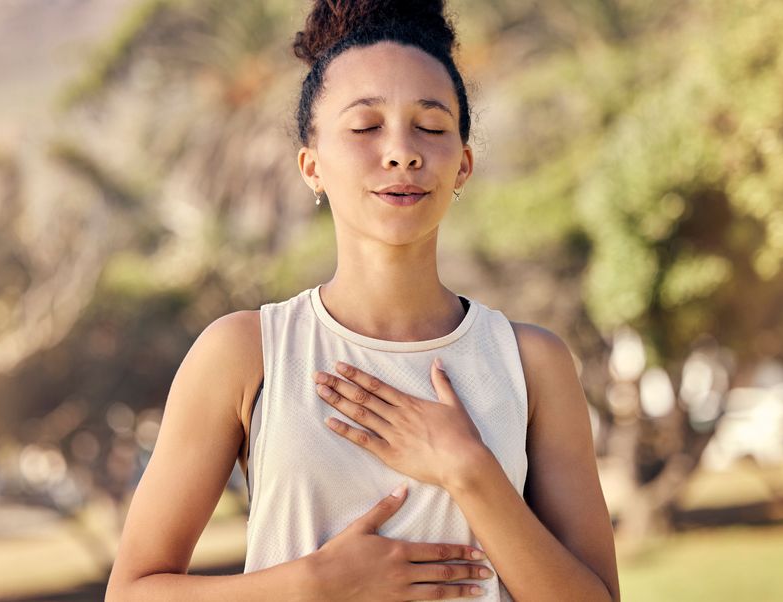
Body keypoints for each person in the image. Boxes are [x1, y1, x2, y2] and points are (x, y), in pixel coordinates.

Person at [105, 0, 619, 600]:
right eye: (365, 126)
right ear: (311, 165)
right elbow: (131, 592)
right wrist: (310, 584)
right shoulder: (247, 352)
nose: (402, 152)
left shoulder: (531, 362)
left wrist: (471, 471)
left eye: (431, 126)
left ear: (464, 165)